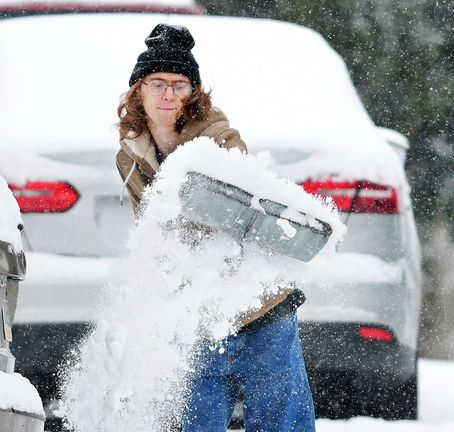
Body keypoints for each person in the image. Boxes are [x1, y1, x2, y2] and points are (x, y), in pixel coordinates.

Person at [115, 23, 317, 432]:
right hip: (198, 315)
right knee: (197, 422)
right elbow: (152, 234)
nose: (168, 94)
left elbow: (236, 213)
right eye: (157, 83)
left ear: (194, 93)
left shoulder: (219, 139)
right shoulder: (130, 156)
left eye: (180, 84)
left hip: (261, 306)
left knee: (282, 422)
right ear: (139, 90)